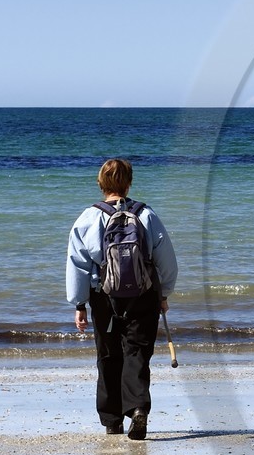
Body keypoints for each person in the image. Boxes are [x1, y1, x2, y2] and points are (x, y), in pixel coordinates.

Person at [65, 158, 178, 440]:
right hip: (143, 294)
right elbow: (167, 261)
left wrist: (79, 304)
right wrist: (163, 294)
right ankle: (138, 409)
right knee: (137, 353)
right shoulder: (146, 215)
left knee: (108, 355)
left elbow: (77, 264)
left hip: (103, 296)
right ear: (129, 183)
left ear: (101, 184)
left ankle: (112, 421)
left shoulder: (88, 218)